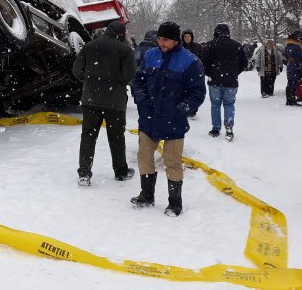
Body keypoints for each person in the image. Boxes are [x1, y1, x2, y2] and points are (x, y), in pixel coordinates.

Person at [130, 21, 206, 216]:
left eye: (166, 40)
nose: (161, 43)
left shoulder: (189, 61)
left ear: (176, 40)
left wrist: (181, 110)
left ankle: (175, 202)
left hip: (174, 121)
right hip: (148, 118)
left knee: (172, 161)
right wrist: (141, 99)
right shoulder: (150, 55)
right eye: (160, 38)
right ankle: (147, 194)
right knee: (144, 157)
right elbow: (138, 81)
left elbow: (197, 93)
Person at [73, 21, 137, 186]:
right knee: (116, 137)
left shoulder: (89, 46)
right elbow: (129, 75)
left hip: (90, 100)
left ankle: (84, 173)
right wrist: (116, 80)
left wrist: (90, 80)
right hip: (115, 102)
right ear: (121, 34)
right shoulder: (125, 50)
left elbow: (77, 70)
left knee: (88, 136)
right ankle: (121, 172)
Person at [200, 23, 248, 141]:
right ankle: (229, 126)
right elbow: (244, 63)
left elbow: (203, 63)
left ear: (216, 32)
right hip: (231, 81)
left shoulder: (210, 45)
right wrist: (235, 72)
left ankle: (216, 128)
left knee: (215, 104)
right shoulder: (236, 45)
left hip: (214, 80)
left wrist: (209, 73)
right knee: (229, 104)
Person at [284, 30, 302, 106]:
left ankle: (288, 99)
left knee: (289, 82)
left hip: (289, 66)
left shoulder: (287, 46)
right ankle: (292, 99)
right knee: (294, 83)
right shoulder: (296, 46)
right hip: (296, 66)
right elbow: (299, 57)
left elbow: (286, 56)